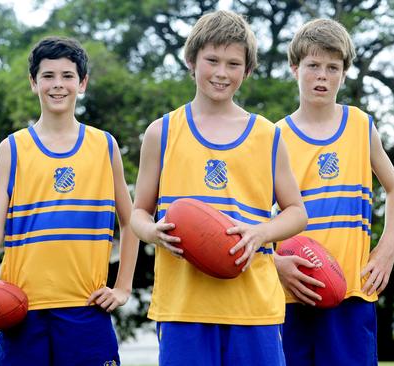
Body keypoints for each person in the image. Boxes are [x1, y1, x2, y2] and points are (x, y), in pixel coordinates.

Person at [130, 10, 307, 366]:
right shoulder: (160, 133)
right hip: (183, 308)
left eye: (233, 63)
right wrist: (153, 232)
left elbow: (296, 213)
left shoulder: (267, 135)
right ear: (191, 61)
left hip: (253, 306)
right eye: (212, 60)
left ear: (247, 70)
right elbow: (137, 213)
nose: (222, 73)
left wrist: (261, 232)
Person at [0, 36, 139, 366]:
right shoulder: (12, 149)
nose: (58, 85)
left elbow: (130, 221)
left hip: (86, 309)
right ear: (33, 83)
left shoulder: (104, 146)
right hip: (21, 312)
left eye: (67, 76)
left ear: (82, 83)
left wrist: (123, 287)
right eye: (48, 76)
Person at [274, 19, 394, 366]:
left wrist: (387, 248)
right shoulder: (274, 136)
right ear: (294, 69)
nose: (322, 75)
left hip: (351, 291)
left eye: (332, 67)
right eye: (313, 66)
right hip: (293, 292)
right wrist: (274, 263)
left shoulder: (361, 126)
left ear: (344, 74)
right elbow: (253, 215)